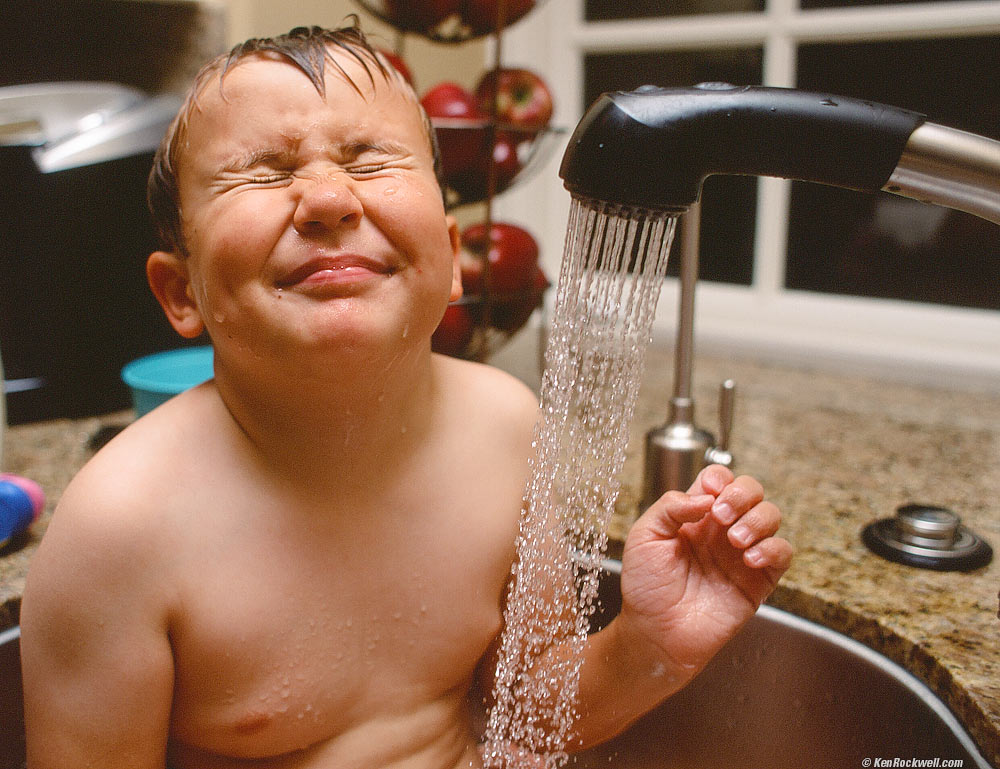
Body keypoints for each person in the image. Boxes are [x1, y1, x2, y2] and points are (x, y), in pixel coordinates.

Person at [19, 23, 793, 769]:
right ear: (180, 291)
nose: (328, 199)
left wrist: (647, 648)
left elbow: (529, 715)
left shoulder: (505, 426)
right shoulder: (121, 532)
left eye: (369, 161)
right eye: (263, 172)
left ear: (453, 260)